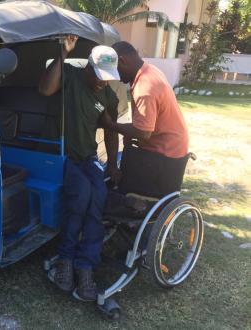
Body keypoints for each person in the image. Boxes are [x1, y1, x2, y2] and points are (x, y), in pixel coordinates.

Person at [39, 35, 120, 301]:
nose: (102, 81)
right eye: (98, 75)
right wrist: (63, 53)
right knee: (82, 195)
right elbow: (45, 90)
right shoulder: (72, 76)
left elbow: (109, 129)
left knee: (99, 196)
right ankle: (65, 260)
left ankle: (85, 266)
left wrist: (113, 165)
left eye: (107, 76)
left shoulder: (107, 94)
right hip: (62, 156)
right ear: (87, 67)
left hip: (87, 157)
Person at [102, 41, 189, 209]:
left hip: (165, 154)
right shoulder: (149, 70)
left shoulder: (145, 87)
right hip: (170, 144)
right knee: (125, 159)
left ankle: (130, 208)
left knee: (119, 190)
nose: (116, 77)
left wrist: (110, 124)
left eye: (115, 70)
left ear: (122, 60)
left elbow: (143, 133)